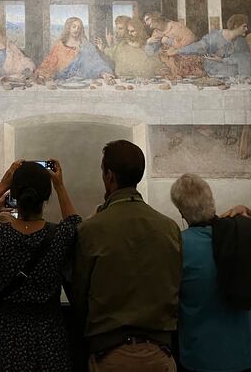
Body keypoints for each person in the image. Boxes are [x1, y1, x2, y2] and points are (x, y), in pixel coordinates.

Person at [0, 159, 80, 372]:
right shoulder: (60, 235)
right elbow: (75, 226)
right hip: (49, 332)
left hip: (9, 333)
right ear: (46, 197)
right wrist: (59, 185)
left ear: (14, 195)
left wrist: (3, 184)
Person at [72, 140, 181, 372]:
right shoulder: (169, 228)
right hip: (160, 355)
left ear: (109, 176)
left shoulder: (91, 229)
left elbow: (79, 295)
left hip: (110, 355)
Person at [170, 174, 251, 372]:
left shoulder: (178, 246)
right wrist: (248, 211)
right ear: (211, 201)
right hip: (243, 355)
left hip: (199, 356)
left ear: (181, 212)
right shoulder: (243, 238)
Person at [169, 14, 251, 78]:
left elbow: (245, 60)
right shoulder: (216, 36)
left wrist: (222, 59)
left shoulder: (241, 42)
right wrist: (178, 51)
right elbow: (198, 46)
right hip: (215, 73)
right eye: (244, 26)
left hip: (234, 75)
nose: (246, 29)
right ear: (236, 26)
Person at [36, 17, 114, 81]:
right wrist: (42, 75)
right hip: (61, 83)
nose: (77, 29)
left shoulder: (86, 45)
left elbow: (97, 62)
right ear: (68, 28)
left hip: (84, 83)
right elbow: (49, 63)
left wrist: (105, 73)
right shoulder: (59, 46)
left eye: (79, 27)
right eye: (74, 26)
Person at [96, 18, 162, 78]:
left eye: (132, 31)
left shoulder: (148, 44)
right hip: (122, 79)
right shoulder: (122, 44)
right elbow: (112, 52)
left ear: (139, 31)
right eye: (128, 31)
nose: (130, 34)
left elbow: (156, 61)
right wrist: (102, 47)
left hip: (143, 80)